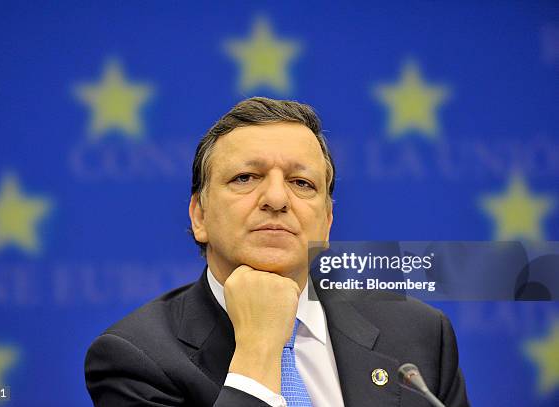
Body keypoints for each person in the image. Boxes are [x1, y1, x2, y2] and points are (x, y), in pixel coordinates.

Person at [84, 97, 469, 406]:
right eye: (245, 178)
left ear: (328, 220)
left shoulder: (419, 337)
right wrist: (259, 347)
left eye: (301, 183)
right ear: (199, 215)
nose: (275, 199)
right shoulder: (135, 358)